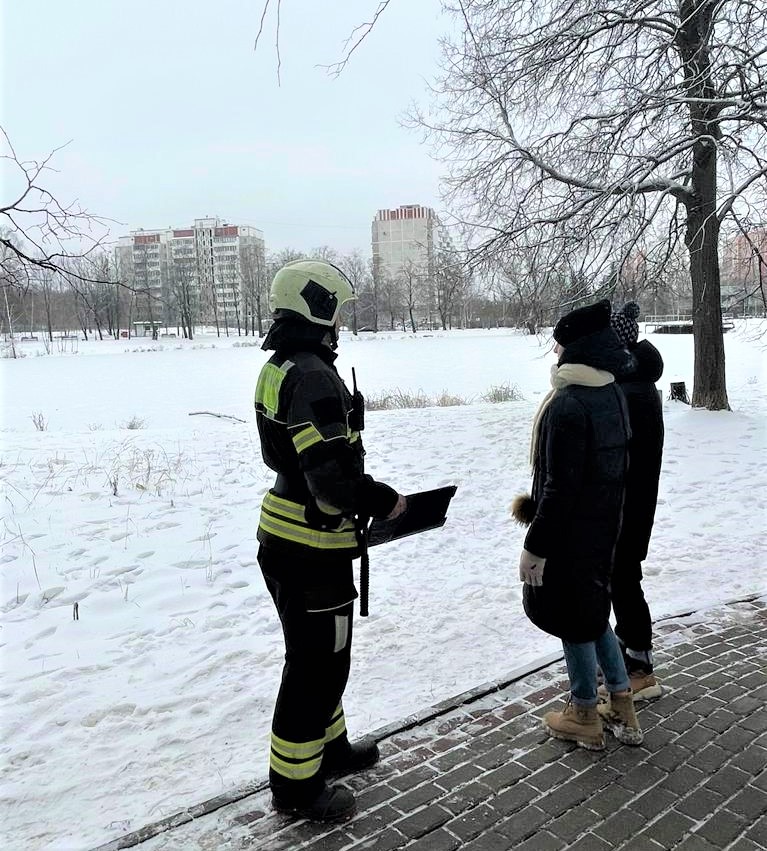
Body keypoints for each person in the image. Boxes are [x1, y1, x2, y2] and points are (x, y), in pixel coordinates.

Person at [254, 259, 406, 821]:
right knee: (317, 665)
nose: (340, 321)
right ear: (316, 306)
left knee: (324, 655)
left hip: (285, 532)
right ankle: (295, 788)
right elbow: (330, 480)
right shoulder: (314, 373)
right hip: (312, 546)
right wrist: (382, 499)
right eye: (336, 309)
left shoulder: (281, 364)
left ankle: (331, 749)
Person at [512, 299, 643, 750]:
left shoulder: (569, 405)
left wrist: (536, 544)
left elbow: (559, 490)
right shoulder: (610, 393)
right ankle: (621, 702)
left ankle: (585, 710)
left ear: (578, 349)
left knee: (574, 618)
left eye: (560, 345)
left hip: (570, 535)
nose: (555, 352)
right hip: (604, 527)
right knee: (591, 613)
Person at [608, 302, 664, 700]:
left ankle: (639, 664)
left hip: (627, 505)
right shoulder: (637, 384)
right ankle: (630, 653)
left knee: (624, 579)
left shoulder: (632, 393)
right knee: (623, 578)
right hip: (632, 503)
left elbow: (620, 455)